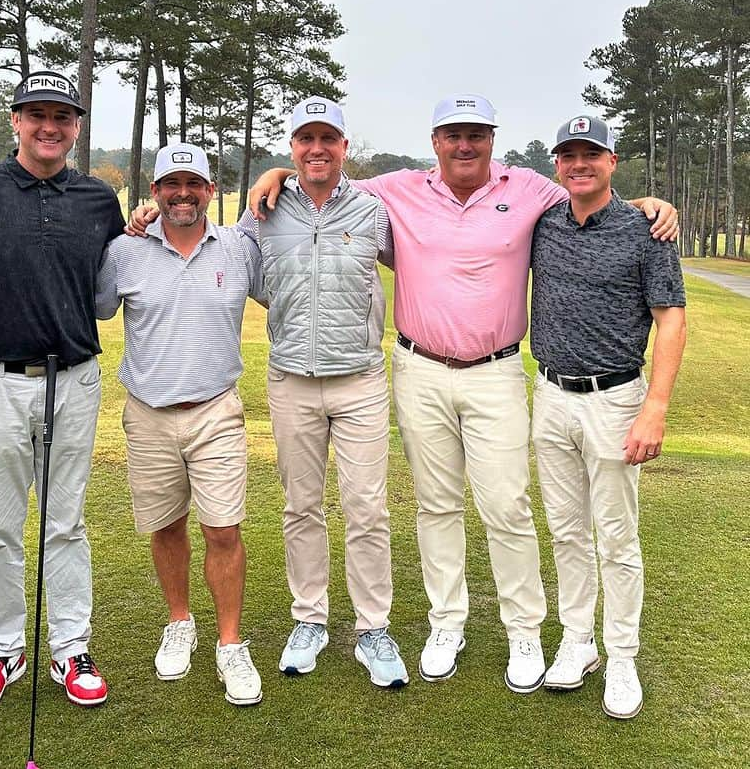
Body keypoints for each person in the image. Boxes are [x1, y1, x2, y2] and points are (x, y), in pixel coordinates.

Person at [249, 93, 678, 693]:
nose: (464, 145)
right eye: (453, 134)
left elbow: (592, 197)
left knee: (507, 507)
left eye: (476, 134)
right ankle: (446, 622)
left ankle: (524, 632)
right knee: (436, 505)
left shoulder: (530, 188)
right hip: (418, 368)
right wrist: (276, 172)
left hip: (497, 372)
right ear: (435, 142)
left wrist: (650, 205)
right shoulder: (396, 189)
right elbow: (326, 176)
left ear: (492, 140)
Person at [0, 70, 125, 714]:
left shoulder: (99, 200)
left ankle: (71, 647)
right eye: (36, 114)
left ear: (76, 126)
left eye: (63, 117)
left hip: (75, 378)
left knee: (65, 519)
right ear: (15, 120)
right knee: (1, 525)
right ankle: (3, 648)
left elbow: (119, 271)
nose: (50, 127)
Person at [240, 96, 409, 689]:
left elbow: (414, 262)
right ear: (293, 148)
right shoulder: (263, 208)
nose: (317, 149)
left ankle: (372, 629)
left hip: (360, 380)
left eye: (328, 140)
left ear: (344, 147)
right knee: (300, 507)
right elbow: (240, 270)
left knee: (366, 508)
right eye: (305, 140)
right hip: (290, 379)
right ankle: (309, 618)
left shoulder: (371, 209)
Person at [95, 142, 264, 705]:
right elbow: (95, 307)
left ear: (210, 191)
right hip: (147, 413)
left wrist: (282, 170)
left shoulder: (238, 247)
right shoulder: (126, 250)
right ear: (155, 192)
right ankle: (180, 622)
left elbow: (286, 212)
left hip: (215, 408)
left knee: (222, 530)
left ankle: (230, 644)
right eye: (172, 184)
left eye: (194, 183)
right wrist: (124, 227)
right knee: (165, 527)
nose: (183, 193)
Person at [530, 115, 686, 719]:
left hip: (618, 398)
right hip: (550, 394)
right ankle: (579, 641)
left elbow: (670, 317)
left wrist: (656, 407)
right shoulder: (544, 223)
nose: (579, 164)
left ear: (611, 160)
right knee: (567, 531)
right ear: (557, 164)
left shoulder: (647, 229)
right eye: (568, 155)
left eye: (589, 153)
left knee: (616, 537)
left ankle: (622, 654)